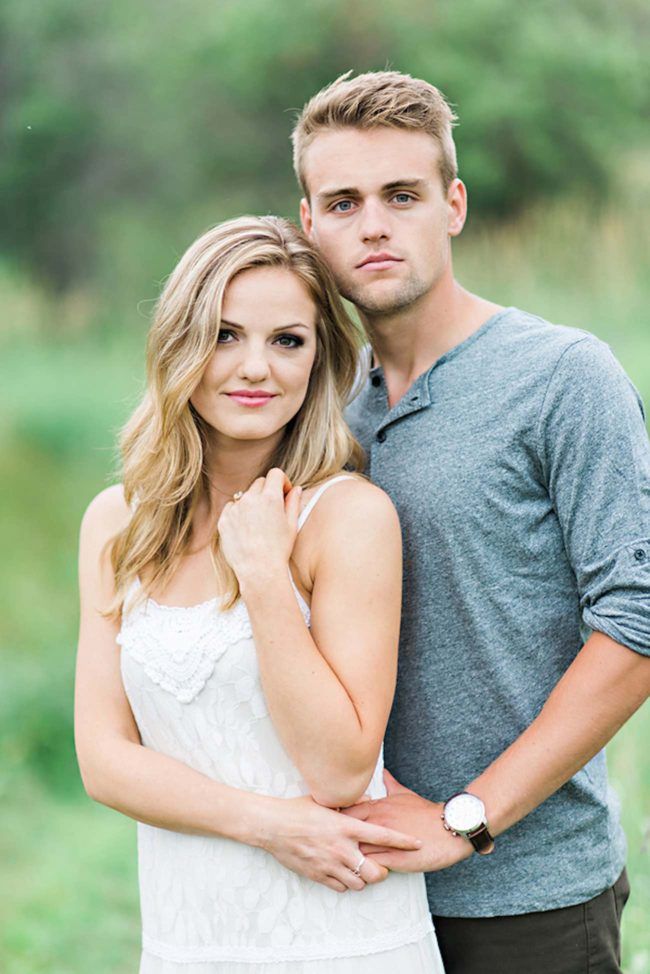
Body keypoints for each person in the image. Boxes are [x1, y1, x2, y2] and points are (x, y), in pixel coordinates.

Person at [288, 70, 650, 973]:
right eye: (344, 202)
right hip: (353, 892)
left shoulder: (564, 375)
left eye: (401, 195)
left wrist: (470, 817)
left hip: (530, 899)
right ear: (309, 226)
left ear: (452, 204)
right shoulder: (316, 407)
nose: (373, 223)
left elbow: (639, 620)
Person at [74, 215, 444, 972]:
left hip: (342, 936)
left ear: (318, 359)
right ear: (179, 345)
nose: (255, 368)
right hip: (187, 939)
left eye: (287, 341)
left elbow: (340, 768)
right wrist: (268, 824)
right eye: (224, 334)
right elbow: (104, 759)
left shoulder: (348, 517)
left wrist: (267, 578)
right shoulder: (117, 524)